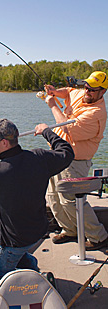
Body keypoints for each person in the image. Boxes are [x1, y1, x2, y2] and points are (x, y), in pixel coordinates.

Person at [0, 118, 74, 283]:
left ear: (4, 143)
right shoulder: (39, 157)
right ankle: (29, 264)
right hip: (38, 230)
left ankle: (34, 279)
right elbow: (67, 152)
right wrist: (47, 132)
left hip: (15, 240)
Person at [44, 71, 108, 250]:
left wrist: (52, 105)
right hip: (56, 155)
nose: (87, 91)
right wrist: (55, 92)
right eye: (86, 86)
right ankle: (70, 230)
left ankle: (99, 237)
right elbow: (69, 91)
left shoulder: (96, 113)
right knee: (54, 198)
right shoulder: (81, 92)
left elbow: (66, 127)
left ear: (103, 91)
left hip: (75, 161)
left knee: (71, 200)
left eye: (92, 89)